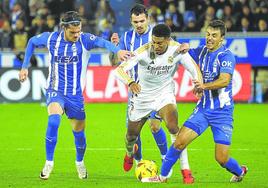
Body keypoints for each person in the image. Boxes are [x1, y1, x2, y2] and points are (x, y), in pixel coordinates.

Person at [18, 11, 131, 180]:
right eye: (72, 32)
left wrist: (118, 50)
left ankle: (80, 162)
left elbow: (102, 42)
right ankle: (49, 162)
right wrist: (25, 66)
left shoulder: (84, 40)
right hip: (55, 90)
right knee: (54, 120)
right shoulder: (51, 39)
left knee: (79, 133)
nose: (76, 35)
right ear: (63, 28)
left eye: (78, 31)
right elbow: (32, 42)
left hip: (75, 95)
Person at [142, 20, 248, 183]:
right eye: (207, 34)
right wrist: (186, 47)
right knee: (179, 142)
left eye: (214, 35)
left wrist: (203, 86)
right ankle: (162, 177)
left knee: (221, 158)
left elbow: (224, 80)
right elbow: (188, 54)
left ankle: (240, 171)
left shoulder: (226, 56)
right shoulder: (204, 51)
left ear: (222, 38)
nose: (209, 38)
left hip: (222, 114)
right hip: (203, 110)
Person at [110, 4, 194, 183]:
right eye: (135, 22)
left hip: (162, 91)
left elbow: (177, 49)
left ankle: (166, 158)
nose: (139, 24)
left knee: (156, 126)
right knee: (132, 135)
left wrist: (188, 46)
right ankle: (134, 158)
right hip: (137, 92)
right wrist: (114, 48)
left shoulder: (157, 34)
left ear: (147, 19)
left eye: (142, 21)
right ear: (131, 21)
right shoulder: (126, 37)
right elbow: (115, 64)